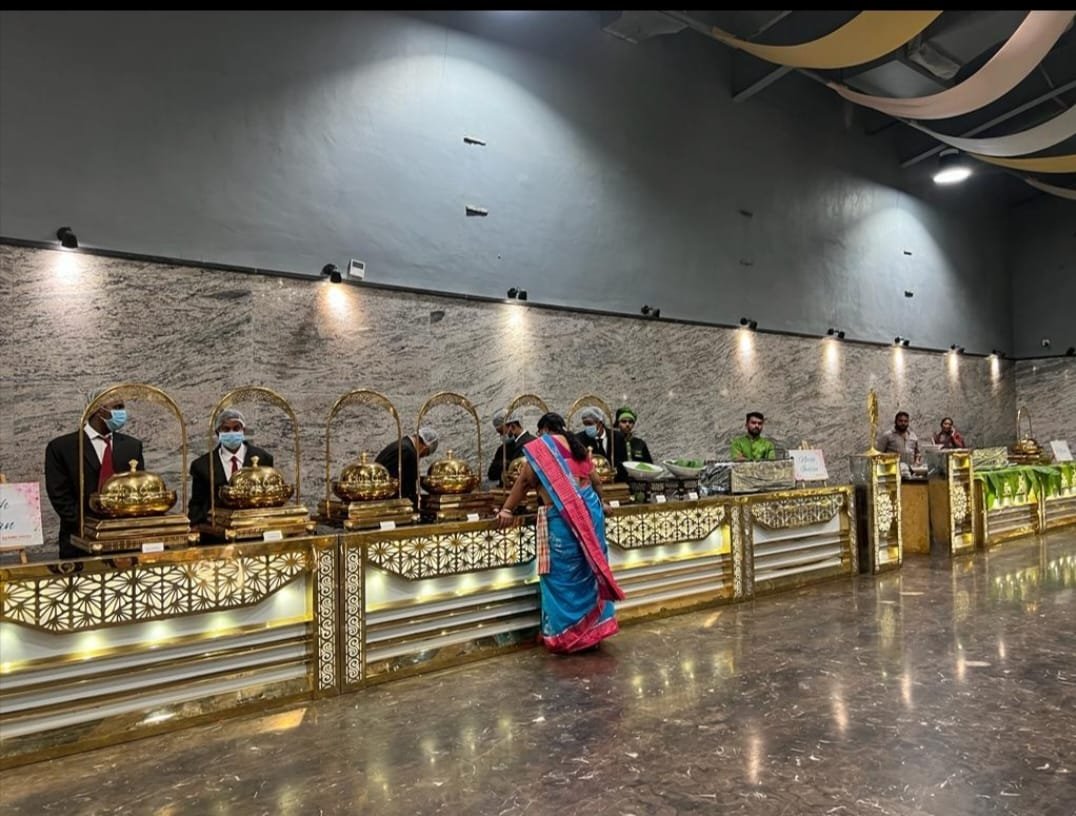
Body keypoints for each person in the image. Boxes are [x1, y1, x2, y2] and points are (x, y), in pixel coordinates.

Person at [496, 412, 624, 653]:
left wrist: (506, 510)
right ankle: (593, 632)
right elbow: (596, 481)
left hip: (561, 521)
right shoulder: (577, 447)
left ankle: (567, 637)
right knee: (588, 571)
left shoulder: (540, 449)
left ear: (543, 430)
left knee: (561, 576)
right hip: (590, 515)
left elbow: (523, 482)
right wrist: (603, 503)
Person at [44, 393, 144, 559]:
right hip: (79, 540)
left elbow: (138, 488)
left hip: (124, 541)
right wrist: (89, 527)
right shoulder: (63, 447)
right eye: (117, 407)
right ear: (99, 409)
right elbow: (59, 495)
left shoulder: (132, 446)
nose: (122, 413)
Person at [189, 409, 274, 525]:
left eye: (236, 428)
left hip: (256, 524)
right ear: (218, 432)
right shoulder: (202, 466)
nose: (231, 432)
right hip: (216, 528)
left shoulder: (263, 459)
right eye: (226, 429)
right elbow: (196, 507)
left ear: (243, 430)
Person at [376, 426, 439, 508]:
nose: (420, 457)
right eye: (424, 454)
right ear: (425, 447)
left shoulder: (401, 444)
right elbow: (407, 489)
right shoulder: (408, 452)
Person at [613, 406, 653, 480]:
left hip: (639, 482)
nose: (627, 424)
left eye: (630, 422)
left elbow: (649, 466)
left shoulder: (640, 443)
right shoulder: (612, 442)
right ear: (618, 424)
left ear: (633, 424)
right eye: (624, 421)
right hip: (618, 482)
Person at [487, 410, 510, 485]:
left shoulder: (525, 444)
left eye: (502, 432)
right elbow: (491, 474)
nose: (501, 436)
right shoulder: (501, 449)